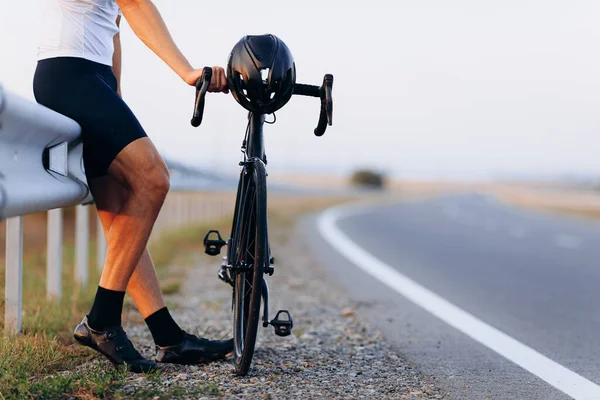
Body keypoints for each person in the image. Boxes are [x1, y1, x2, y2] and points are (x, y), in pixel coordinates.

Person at [33, 0, 232, 373]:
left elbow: (115, 23)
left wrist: (116, 95)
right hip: (68, 75)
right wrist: (186, 71)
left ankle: (168, 337)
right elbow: (135, 3)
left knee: (123, 213)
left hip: (93, 78)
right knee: (153, 179)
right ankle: (101, 321)